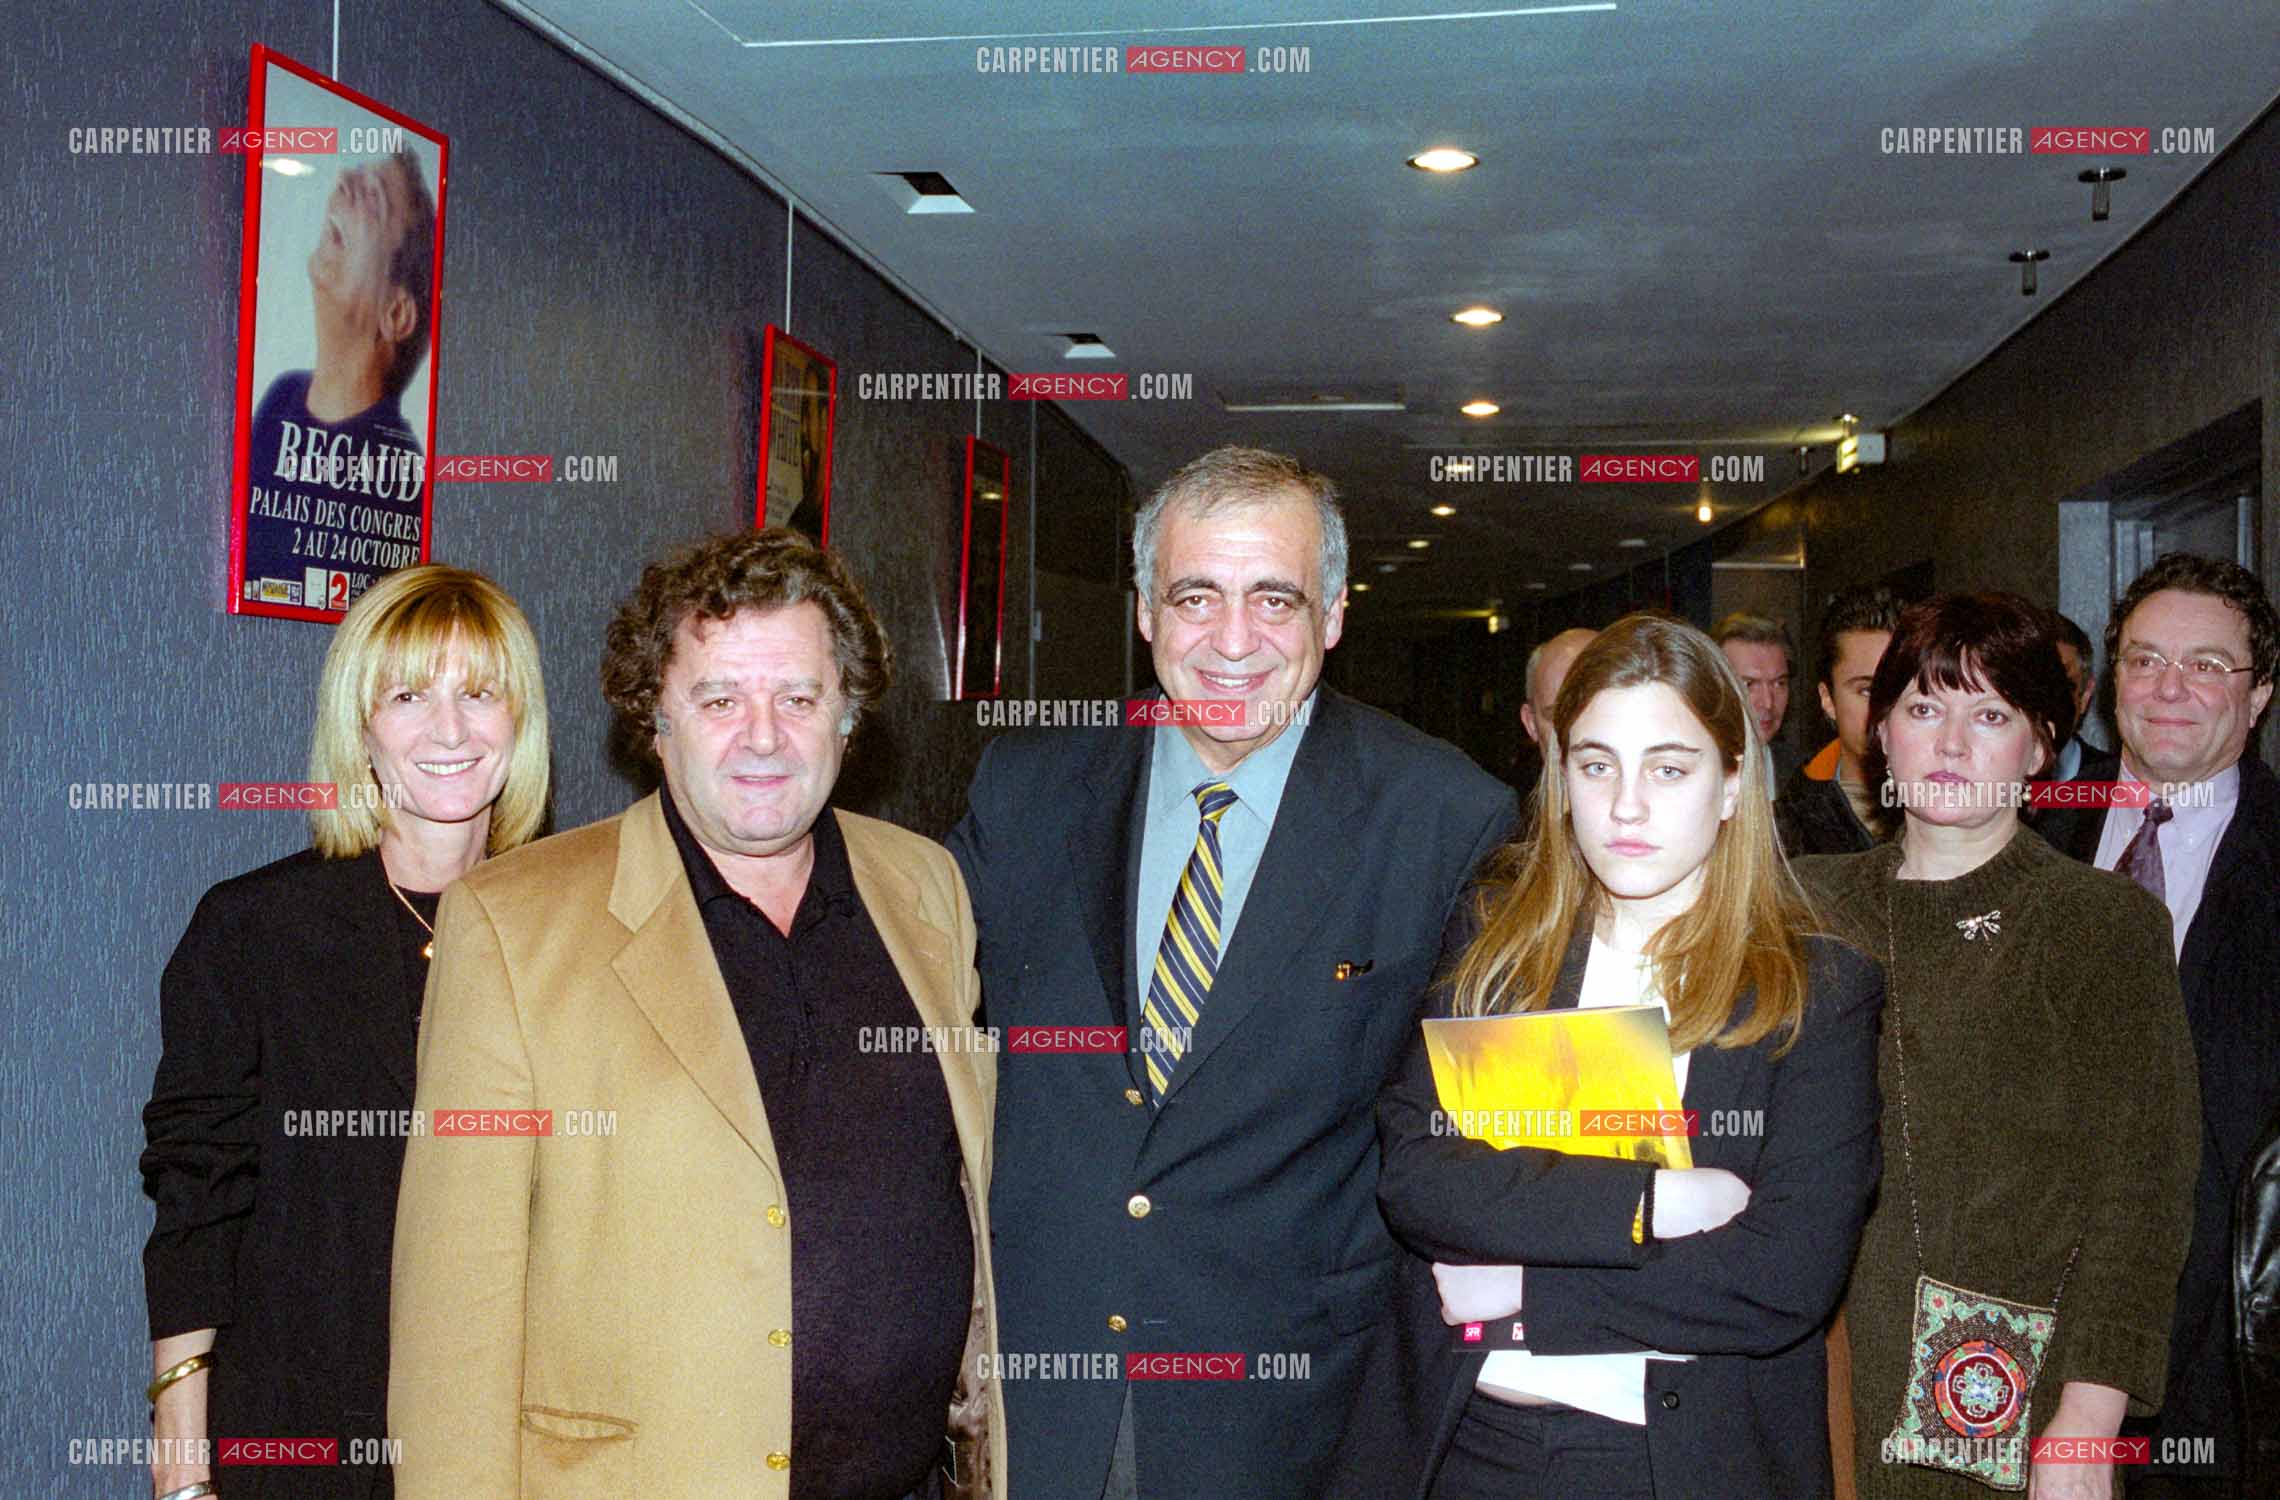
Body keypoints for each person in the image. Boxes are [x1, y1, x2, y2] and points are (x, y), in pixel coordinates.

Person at [947, 446, 1517, 1500]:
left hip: (1291, 1416)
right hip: (1040, 1400)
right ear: (1147, 613)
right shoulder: (1028, 787)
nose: (1235, 641)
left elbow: (1478, 1134)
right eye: (1197, 597)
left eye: (1276, 599)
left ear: (1335, 614)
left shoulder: (1442, 818)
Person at [388, 529, 1004, 1499]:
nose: (763, 737)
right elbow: (450, 1324)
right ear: (654, 720)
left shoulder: (927, 888)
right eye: (719, 700)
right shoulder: (514, 926)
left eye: (799, 698)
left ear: (849, 716)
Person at [1376, 613, 1885, 1500]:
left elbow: (1782, 1277)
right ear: (1560, 774)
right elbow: (1421, 1178)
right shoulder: (1498, 939)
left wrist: (1527, 1291)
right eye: (1597, 764)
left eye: (1669, 768)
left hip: (1671, 1461)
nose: (1627, 806)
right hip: (1468, 1443)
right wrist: (1655, 1200)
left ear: (1734, 783)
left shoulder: (1816, 987)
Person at [139, 563, 551, 1500]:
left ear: (518, 722)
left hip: (511, 1438)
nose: (449, 729)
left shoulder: (570, 932)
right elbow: (197, 1203)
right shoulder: (252, 932)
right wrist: (181, 1456)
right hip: (297, 1433)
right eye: (408, 695)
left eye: (479, 693)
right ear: (360, 730)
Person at [1796, 590, 2201, 1499]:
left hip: (2016, 1392)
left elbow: (2144, 1192)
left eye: (1989, 715)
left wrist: (2091, 1422)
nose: (1949, 744)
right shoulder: (1802, 906)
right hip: (1811, 1378)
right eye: (1923, 707)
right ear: (1882, 732)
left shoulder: (2103, 926)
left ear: (2041, 744)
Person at [2030, 554, 2280, 1495]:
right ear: (2108, 686)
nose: (2172, 687)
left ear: (2260, 697)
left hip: (2225, 1381)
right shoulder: (2025, 842)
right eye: (2145, 660)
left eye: (2209, 665)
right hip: (2019, 1344)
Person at [243, 151, 437, 610]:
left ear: (396, 312)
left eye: (374, 197)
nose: (345, 180)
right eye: (357, 175)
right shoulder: (280, 397)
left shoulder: (401, 473)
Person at [1778, 584, 1902, 856]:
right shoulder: (1786, 829)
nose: (1885, 709)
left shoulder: (1963, 807)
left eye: (1899, 688)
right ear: (1828, 699)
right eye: (1866, 690)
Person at [1714, 610, 1796, 793]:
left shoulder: (1805, 777)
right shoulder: (1690, 773)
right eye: (1749, 684)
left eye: (1779, 683)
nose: (1768, 702)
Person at [1512, 628, 1598, 800]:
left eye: (1595, 712)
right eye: (1559, 717)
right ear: (1531, 723)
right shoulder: (1507, 818)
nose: (1577, 736)